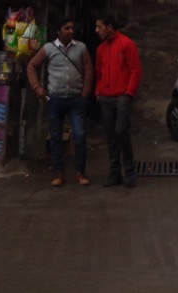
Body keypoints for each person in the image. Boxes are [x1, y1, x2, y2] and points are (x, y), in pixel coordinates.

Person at [27, 18, 94, 187]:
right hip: (55, 100)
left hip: (76, 99)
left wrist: (85, 93)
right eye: (67, 28)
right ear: (59, 31)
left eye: (72, 28)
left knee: (80, 136)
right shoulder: (49, 48)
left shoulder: (81, 48)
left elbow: (89, 70)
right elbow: (32, 65)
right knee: (55, 137)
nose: (71, 31)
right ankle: (58, 173)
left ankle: (80, 173)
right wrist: (37, 88)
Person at [94, 14, 141, 188]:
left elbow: (135, 70)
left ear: (109, 27)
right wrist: (98, 92)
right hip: (105, 97)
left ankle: (129, 171)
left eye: (100, 27)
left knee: (121, 132)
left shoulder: (127, 44)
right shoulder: (100, 49)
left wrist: (128, 94)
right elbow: (99, 73)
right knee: (110, 137)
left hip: (121, 96)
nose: (97, 31)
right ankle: (115, 173)